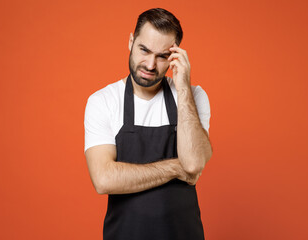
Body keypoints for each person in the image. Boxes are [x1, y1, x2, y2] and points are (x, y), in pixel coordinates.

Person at [84, 8, 212, 240]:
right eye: (144, 50)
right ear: (131, 41)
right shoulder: (103, 101)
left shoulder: (194, 96)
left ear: (174, 57)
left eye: (162, 56)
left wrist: (183, 86)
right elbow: (104, 179)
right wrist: (176, 168)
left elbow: (193, 163)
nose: (150, 65)